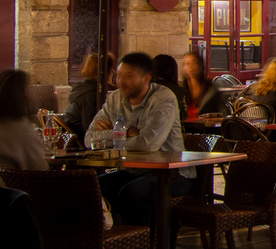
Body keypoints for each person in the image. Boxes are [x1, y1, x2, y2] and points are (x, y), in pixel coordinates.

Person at [90, 53, 189, 230]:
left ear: (146, 79)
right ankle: (114, 244)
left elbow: (147, 144)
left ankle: (143, 248)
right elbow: (89, 138)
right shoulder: (114, 99)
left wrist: (110, 135)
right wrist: (125, 132)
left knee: (132, 192)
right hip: (134, 169)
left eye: (129, 76)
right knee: (92, 188)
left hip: (172, 173)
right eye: (119, 75)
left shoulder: (163, 98)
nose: (121, 81)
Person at [60, 53, 109, 141]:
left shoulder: (84, 88)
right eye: (111, 69)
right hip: (79, 140)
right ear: (104, 72)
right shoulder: (90, 94)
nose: (114, 73)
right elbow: (90, 128)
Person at [179, 50, 224, 119]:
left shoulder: (211, 90)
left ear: (200, 66)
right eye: (187, 64)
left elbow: (219, 114)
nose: (191, 67)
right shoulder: (181, 91)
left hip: (206, 128)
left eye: (194, 63)